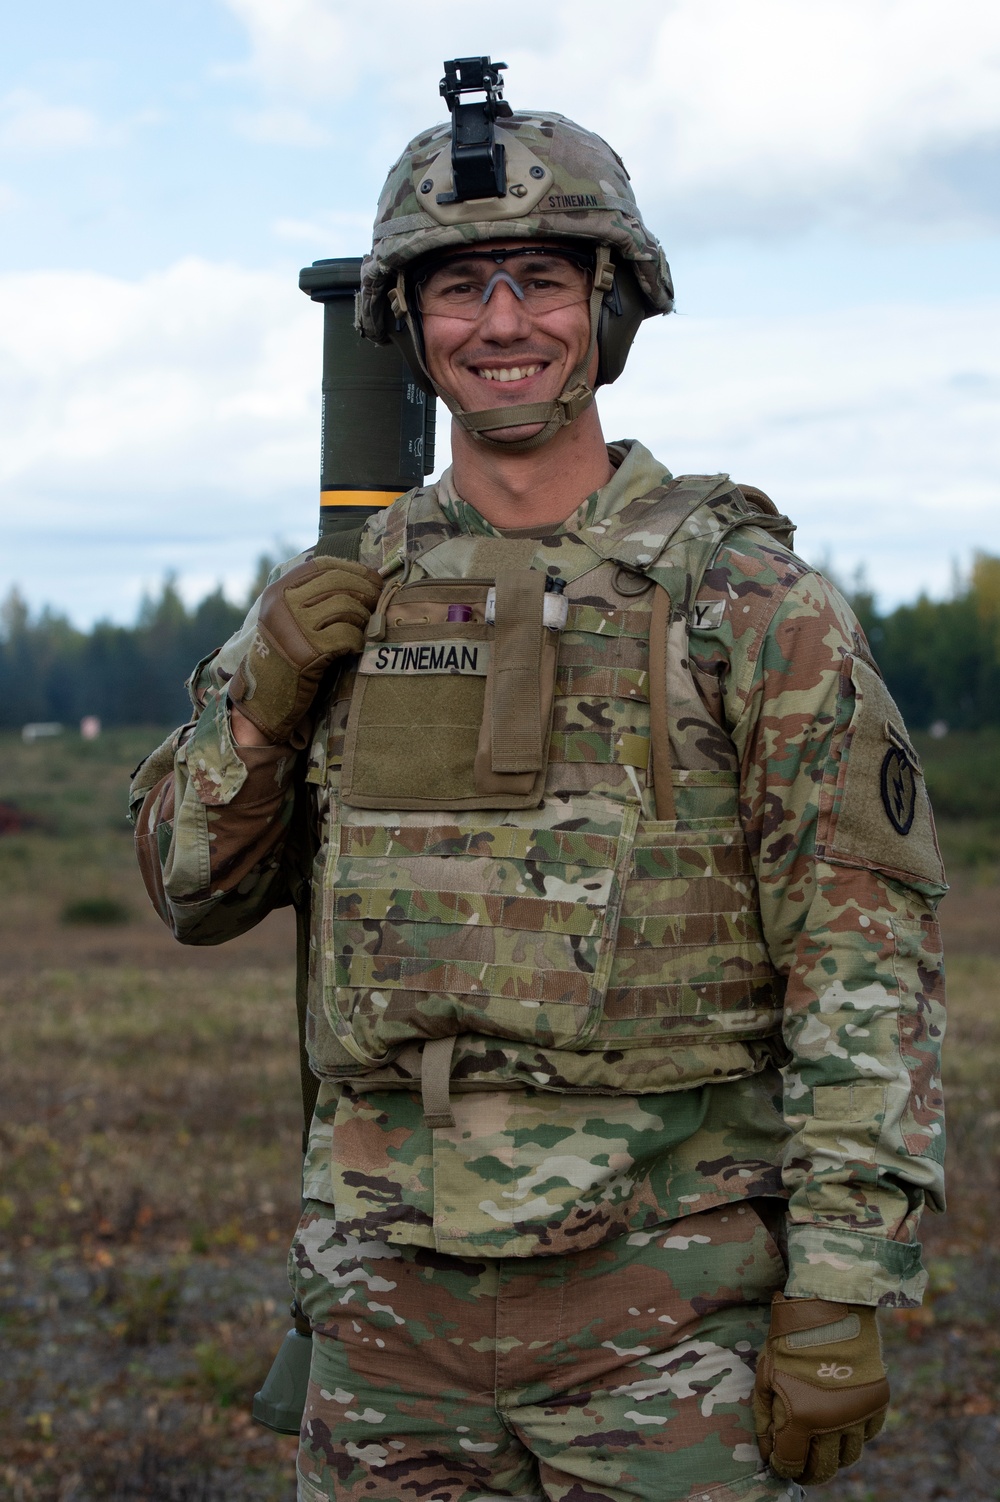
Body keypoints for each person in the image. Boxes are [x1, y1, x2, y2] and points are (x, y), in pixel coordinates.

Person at [130, 70, 947, 1502]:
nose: (501, 324)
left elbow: (859, 960)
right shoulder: (343, 598)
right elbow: (192, 890)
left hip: (662, 1308)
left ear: (608, 307)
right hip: (384, 1310)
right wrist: (263, 691)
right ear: (409, 326)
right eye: (457, 288)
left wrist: (841, 1283)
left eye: (538, 279)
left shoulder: (747, 600)